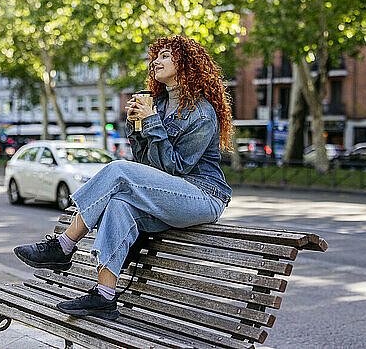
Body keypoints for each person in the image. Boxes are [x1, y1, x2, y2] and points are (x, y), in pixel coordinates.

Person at [13, 35, 234, 320]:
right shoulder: (161, 104)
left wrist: (152, 122)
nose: (156, 61)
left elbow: (177, 168)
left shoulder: (201, 112)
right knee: (119, 204)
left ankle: (63, 245)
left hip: (202, 196)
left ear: (186, 64)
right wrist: (135, 127)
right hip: (170, 197)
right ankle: (105, 297)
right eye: (156, 56)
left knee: (118, 169)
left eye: (165, 56)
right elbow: (147, 167)